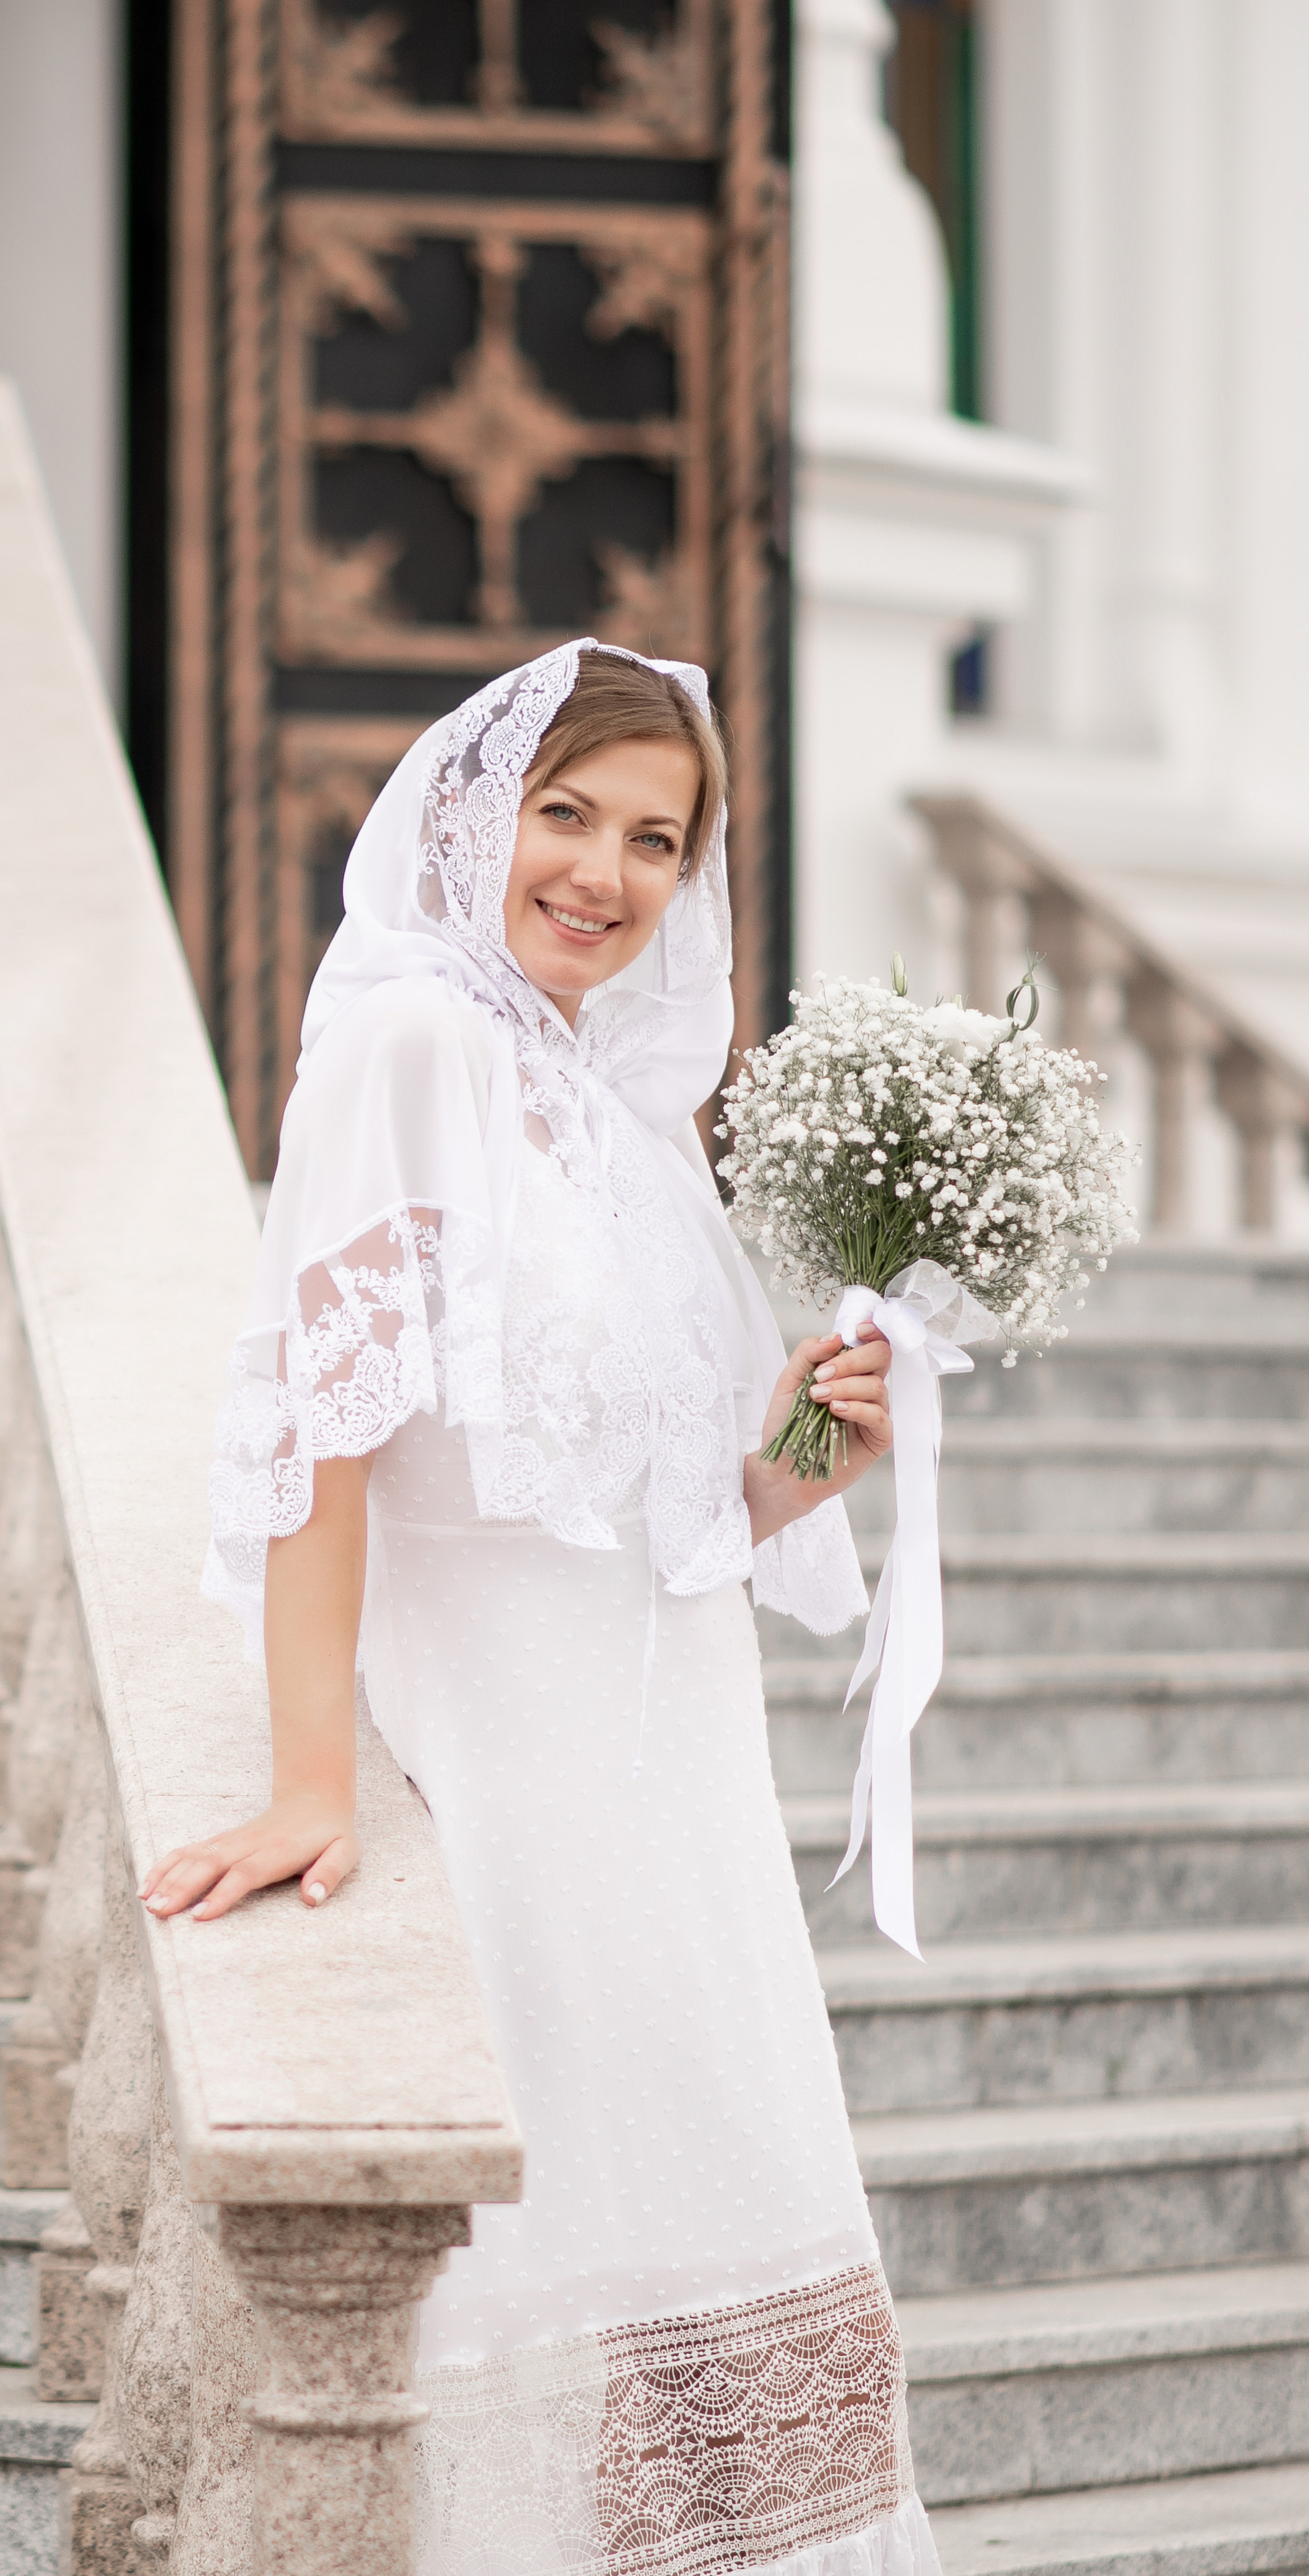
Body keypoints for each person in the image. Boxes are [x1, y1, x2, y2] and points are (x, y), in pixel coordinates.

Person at [144, 643, 940, 2575]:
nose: (604, 870)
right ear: (468, 815)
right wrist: (313, 1775)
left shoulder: (635, 1119)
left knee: (723, 2230)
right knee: (559, 2259)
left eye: (656, 837)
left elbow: (695, 1508)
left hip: (685, 1798)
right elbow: (322, 1436)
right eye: (565, 814)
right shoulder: (410, 1049)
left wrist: (831, 1431)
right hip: (514, 1775)